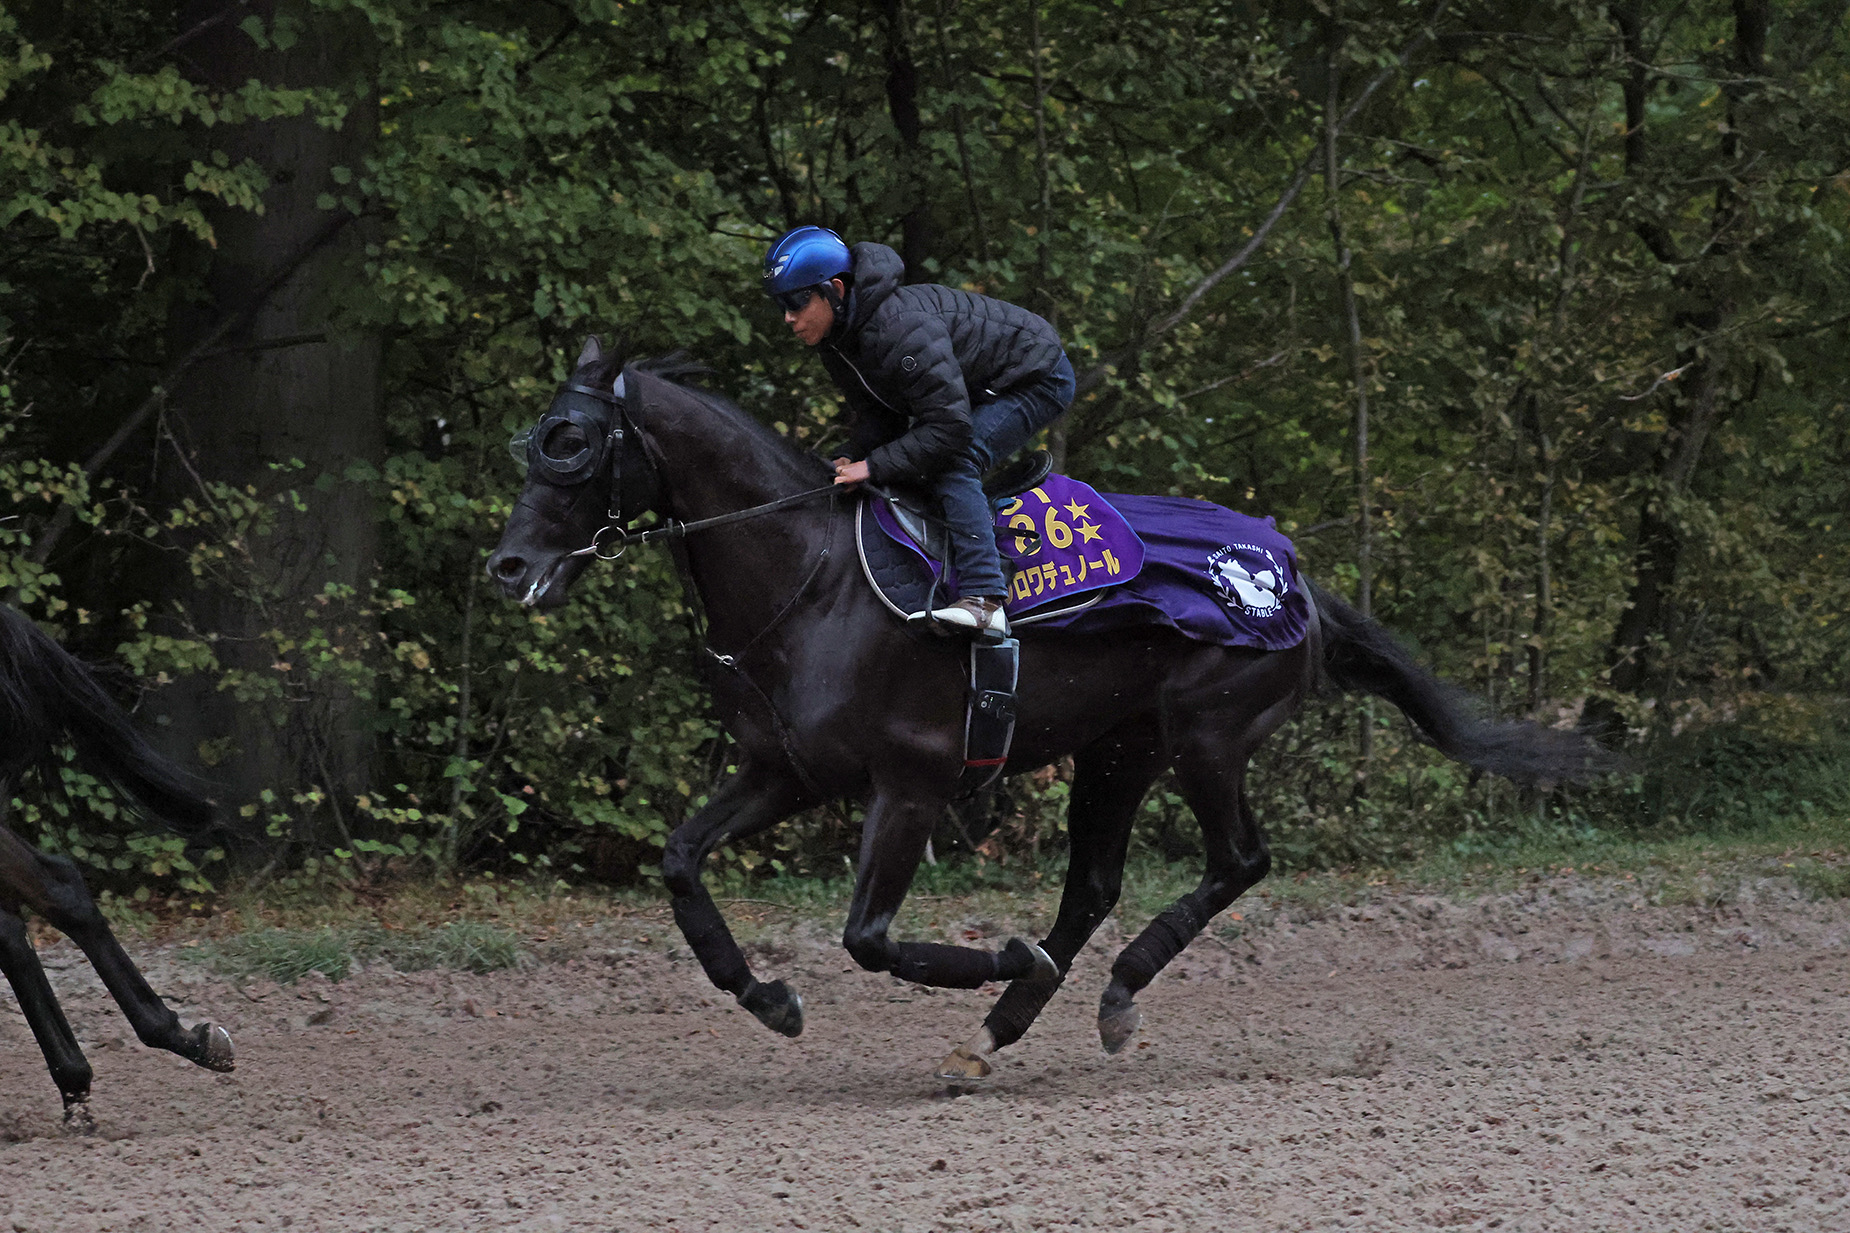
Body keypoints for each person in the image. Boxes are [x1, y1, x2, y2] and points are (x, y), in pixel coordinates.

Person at [762, 226, 1075, 637]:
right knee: (911, 459)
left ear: (835, 290)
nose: (788, 316)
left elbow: (949, 429)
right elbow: (883, 417)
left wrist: (871, 466)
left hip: (1036, 376)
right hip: (976, 387)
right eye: (780, 304)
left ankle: (985, 600)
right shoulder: (839, 341)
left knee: (953, 461)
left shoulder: (899, 330)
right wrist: (852, 454)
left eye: (796, 300)